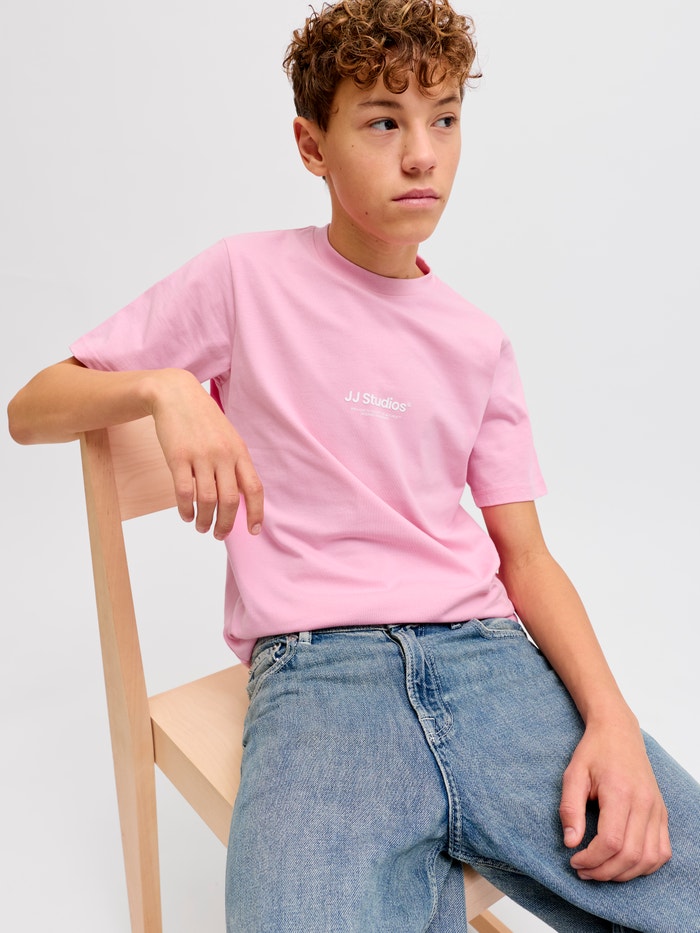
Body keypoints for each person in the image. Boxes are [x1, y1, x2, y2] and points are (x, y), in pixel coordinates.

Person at [7, 1, 700, 930]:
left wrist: (612, 721)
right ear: (312, 146)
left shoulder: (478, 341)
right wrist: (165, 388)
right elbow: (30, 409)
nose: (422, 156)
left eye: (444, 119)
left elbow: (527, 557)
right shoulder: (243, 278)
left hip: (491, 662)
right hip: (318, 677)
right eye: (382, 122)